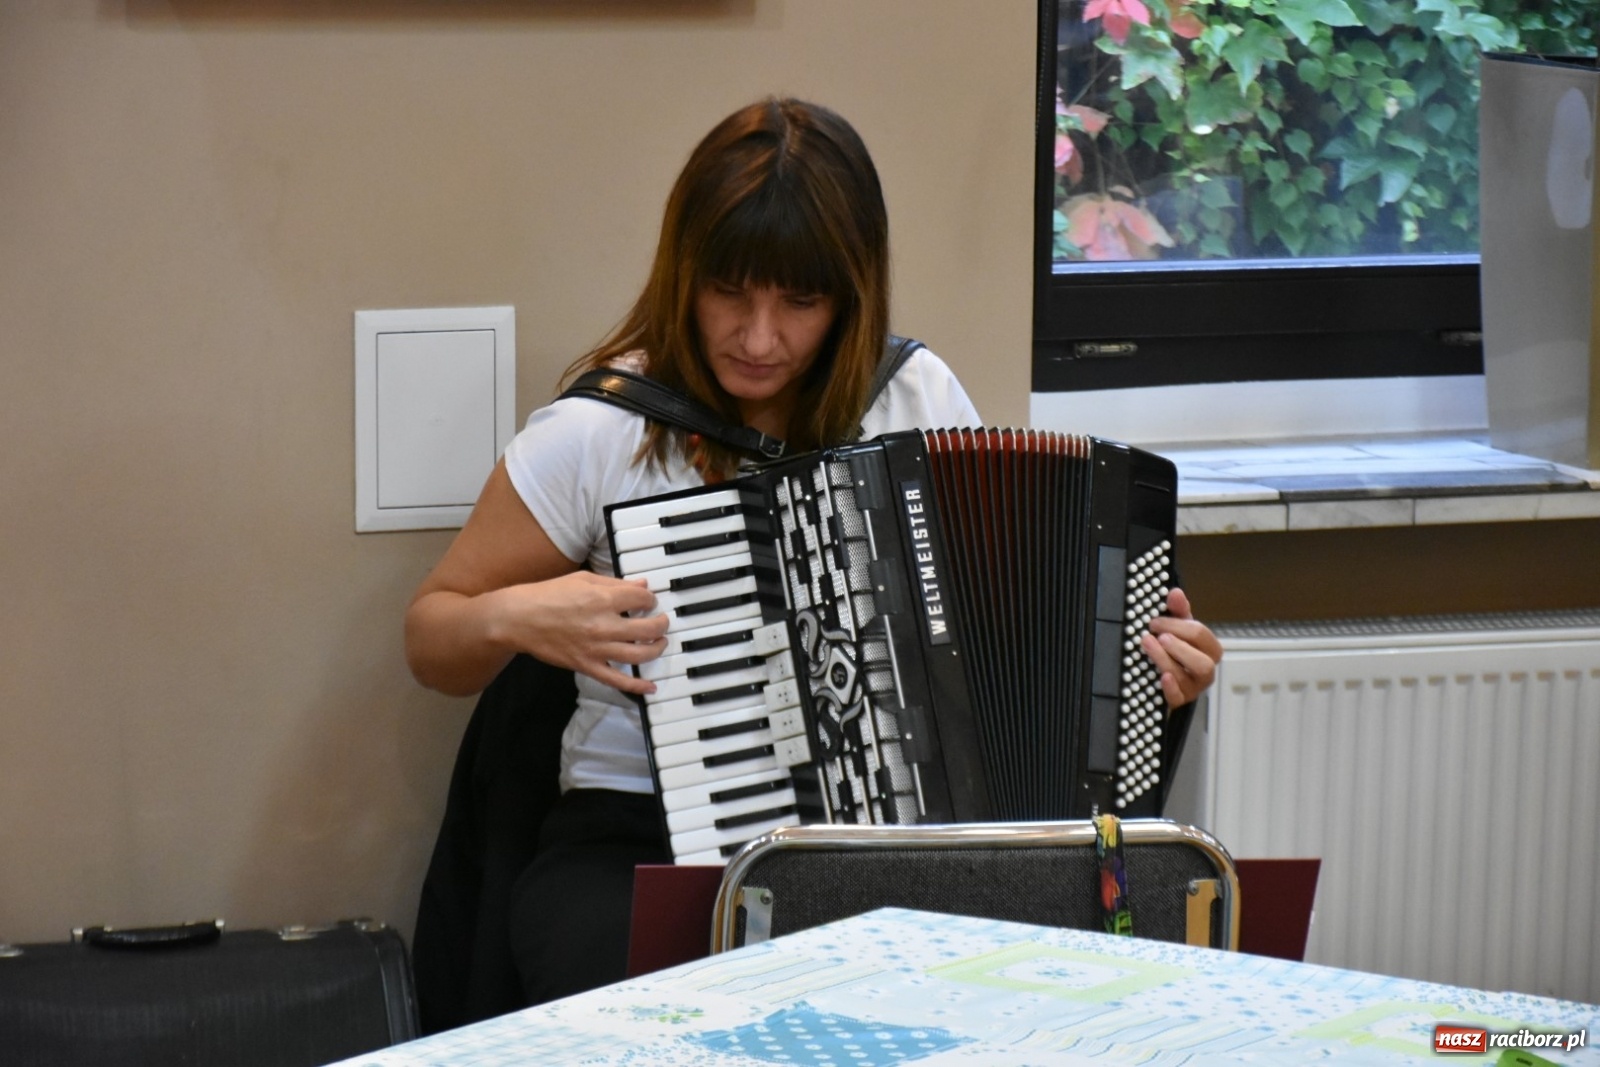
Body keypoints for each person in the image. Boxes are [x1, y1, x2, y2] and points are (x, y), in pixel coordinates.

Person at [404, 97, 1224, 1008]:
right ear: (686, 274)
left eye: (800, 300)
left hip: (885, 841)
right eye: (730, 292)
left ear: (851, 291)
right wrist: (519, 615)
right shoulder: (604, 428)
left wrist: (1140, 674)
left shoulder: (914, 394)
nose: (760, 338)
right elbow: (431, 637)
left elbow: (1004, 627)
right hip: (638, 837)